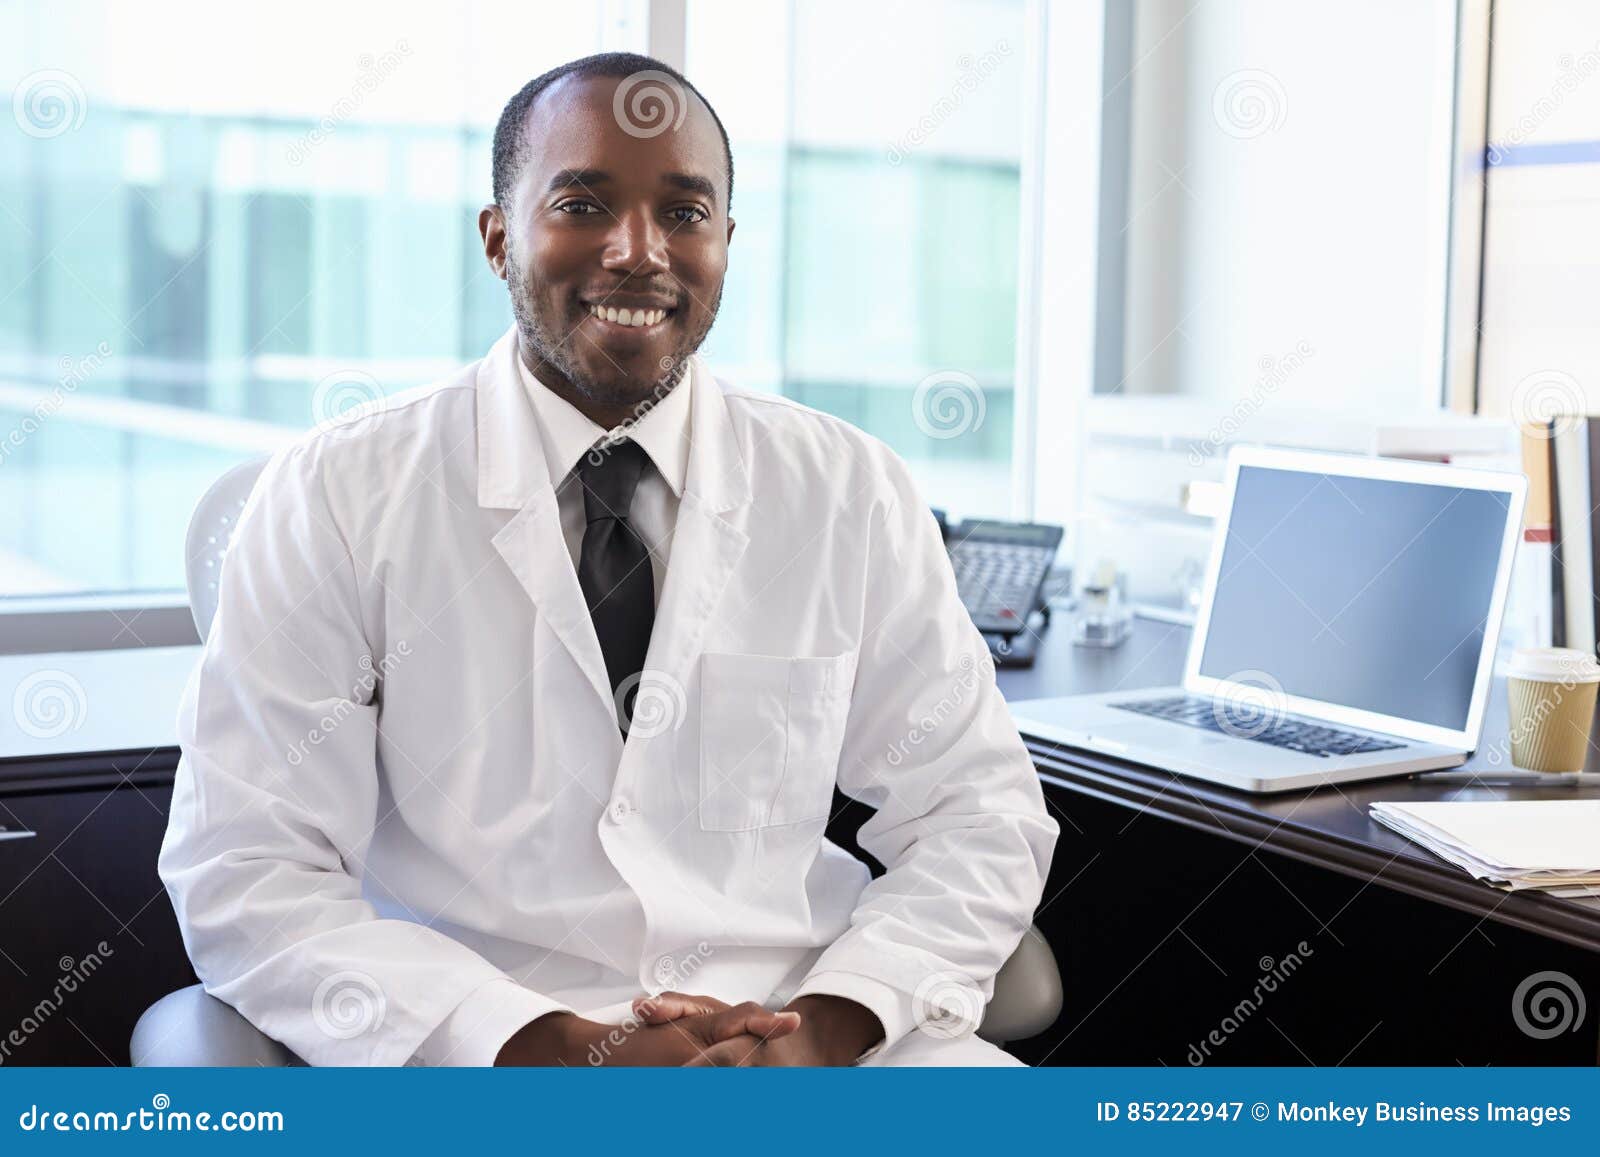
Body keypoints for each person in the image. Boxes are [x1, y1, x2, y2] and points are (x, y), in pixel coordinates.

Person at [159, 51, 1058, 1067]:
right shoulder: (335, 493)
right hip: (484, 1047)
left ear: (725, 240)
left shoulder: (848, 487)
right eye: (582, 203)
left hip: (805, 1036)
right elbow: (246, 865)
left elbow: (976, 815)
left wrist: (828, 1026)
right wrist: (553, 1045)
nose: (639, 253)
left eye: (684, 213)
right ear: (498, 239)